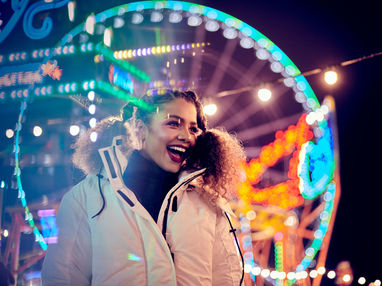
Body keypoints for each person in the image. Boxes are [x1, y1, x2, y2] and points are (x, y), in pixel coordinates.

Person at [41, 90, 245, 285]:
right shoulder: (87, 197)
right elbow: (63, 277)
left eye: (194, 129)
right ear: (140, 130)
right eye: (173, 123)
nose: (186, 136)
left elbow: (228, 278)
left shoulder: (208, 204)